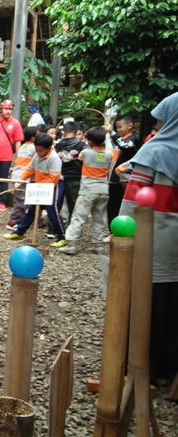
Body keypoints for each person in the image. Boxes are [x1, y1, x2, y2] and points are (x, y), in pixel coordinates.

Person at [119, 92, 178, 386]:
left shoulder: (154, 152)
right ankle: (169, 367)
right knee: (172, 305)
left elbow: (133, 202)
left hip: (152, 243)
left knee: (147, 302)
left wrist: (119, 234)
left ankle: (142, 368)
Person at [4, 134, 67, 246]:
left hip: (54, 186)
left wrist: (38, 187)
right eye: (36, 149)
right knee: (32, 210)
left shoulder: (54, 158)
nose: (38, 152)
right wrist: (21, 179)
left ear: (48, 148)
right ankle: (19, 232)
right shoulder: (36, 155)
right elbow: (30, 170)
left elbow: (54, 178)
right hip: (40, 185)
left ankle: (62, 237)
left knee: (52, 210)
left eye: (40, 150)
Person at [59, 126, 113, 255]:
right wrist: (107, 133)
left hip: (88, 190)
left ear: (89, 141)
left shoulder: (86, 153)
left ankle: (72, 244)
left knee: (79, 217)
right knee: (99, 218)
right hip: (104, 190)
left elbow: (79, 158)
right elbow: (109, 146)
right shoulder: (108, 154)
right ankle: (98, 245)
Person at [107, 114, 139, 224]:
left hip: (124, 178)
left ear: (130, 126)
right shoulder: (119, 140)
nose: (118, 130)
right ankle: (112, 231)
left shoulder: (132, 140)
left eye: (120, 127)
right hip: (114, 178)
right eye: (117, 128)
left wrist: (112, 132)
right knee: (112, 206)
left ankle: (122, 228)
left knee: (121, 205)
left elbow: (125, 146)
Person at [54, 121, 87, 222]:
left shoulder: (57, 145)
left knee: (56, 204)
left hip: (59, 177)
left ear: (63, 131)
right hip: (75, 178)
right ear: (76, 131)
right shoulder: (81, 145)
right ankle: (72, 229)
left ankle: (53, 229)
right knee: (73, 204)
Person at [7, 126, 38, 230]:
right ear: (33, 138)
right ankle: (14, 221)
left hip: (17, 175)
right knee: (21, 200)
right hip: (22, 176)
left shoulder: (23, 146)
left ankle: (25, 220)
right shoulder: (34, 148)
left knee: (20, 199)